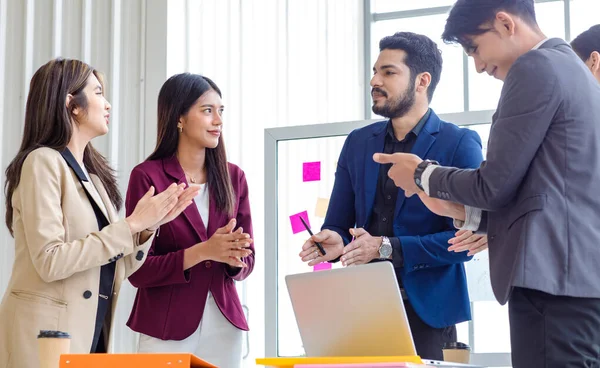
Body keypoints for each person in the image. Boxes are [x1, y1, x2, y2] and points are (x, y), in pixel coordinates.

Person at [373, 1, 600, 366]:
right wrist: (463, 213)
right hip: (576, 281)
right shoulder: (573, 70)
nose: (478, 66)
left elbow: (494, 183)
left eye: (474, 48)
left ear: (504, 23)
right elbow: (549, 193)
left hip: (551, 283)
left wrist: (422, 174)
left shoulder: (535, 67)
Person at [0, 58, 197, 367]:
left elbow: (111, 266)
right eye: (98, 93)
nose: (107, 104)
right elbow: (50, 261)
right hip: (44, 339)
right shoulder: (42, 162)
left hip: (88, 336)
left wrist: (146, 228)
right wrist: (131, 224)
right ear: (72, 104)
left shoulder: (93, 179)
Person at [299, 32, 485, 360]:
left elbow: (465, 242)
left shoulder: (459, 143)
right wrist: (333, 240)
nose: (374, 80)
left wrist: (386, 248)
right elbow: (339, 224)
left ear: (421, 81)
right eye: (375, 71)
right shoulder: (358, 143)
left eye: (388, 72)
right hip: (362, 309)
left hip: (430, 313)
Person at [125, 73, 255, 368]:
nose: (218, 120)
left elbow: (249, 260)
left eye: (221, 111)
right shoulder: (147, 177)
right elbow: (138, 270)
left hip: (224, 327)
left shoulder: (235, 178)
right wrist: (204, 251)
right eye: (207, 110)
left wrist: (235, 258)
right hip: (165, 328)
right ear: (179, 117)